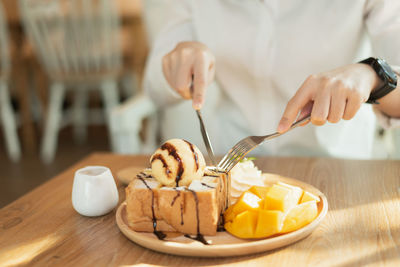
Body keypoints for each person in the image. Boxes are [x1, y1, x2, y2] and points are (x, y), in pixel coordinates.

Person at [143, 0, 400, 159]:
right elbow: (154, 85)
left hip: (339, 166)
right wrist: (173, 66)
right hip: (235, 159)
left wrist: (372, 76)